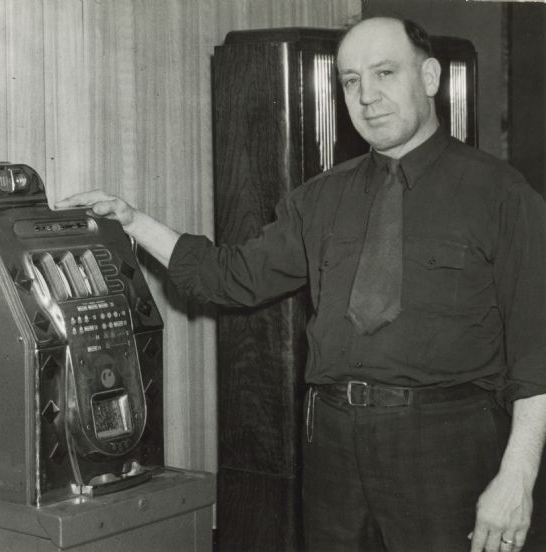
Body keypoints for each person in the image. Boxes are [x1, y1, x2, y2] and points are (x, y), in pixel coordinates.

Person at [56, 17, 546, 552]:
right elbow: (231, 278)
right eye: (351, 80)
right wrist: (132, 221)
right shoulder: (318, 200)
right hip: (333, 446)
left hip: (448, 445)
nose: (367, 96)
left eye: (385, 73)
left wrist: (517, 478)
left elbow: (536, 353)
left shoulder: (501, 195)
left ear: (429, 77)